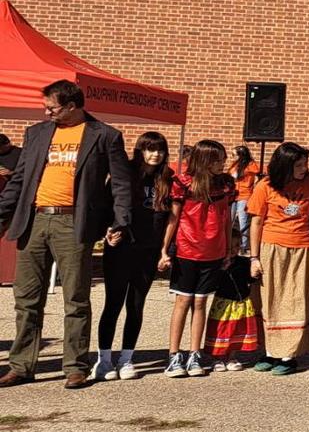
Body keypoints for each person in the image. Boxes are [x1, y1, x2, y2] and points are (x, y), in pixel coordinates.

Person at [0, 80, 134, 389]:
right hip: (34, 221)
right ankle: (21, 365)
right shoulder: (36, 133)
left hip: (74, 223)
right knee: (26, 299)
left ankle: (75, 366)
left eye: (53, 108)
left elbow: (121, 184)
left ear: (72, 106)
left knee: (75, 298)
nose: (47, 113)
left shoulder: (105, 135)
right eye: (46, 107)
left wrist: (120, 221)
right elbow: (20, 180)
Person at [94, 132, 172, 381]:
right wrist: (107, 231)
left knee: (136, 305)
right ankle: (104, 359)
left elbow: (170, 218)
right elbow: (105, 208)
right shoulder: (124, 174)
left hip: (148, 251)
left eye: (160, 149)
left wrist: (164, 250)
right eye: (150, 149)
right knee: (113, 303)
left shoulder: (167, 179)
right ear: (140, 150)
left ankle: (126, 359)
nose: (155, 154)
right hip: (121, 248)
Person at [158, 140, 238, 378]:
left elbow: (227, 219)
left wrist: (227, 250)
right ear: (204, 161)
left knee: (201, 303)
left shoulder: (225, 185)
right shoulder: (183, 183)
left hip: (213, 251)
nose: (222, 163)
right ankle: (174, 355)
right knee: (183, 302)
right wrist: (164, 250)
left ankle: (195, 353)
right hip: (187, 249)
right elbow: (173, 218)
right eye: (217, 160)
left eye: (223, 159)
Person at [248, 142, 309, 375]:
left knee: (296, 300)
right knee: (270, 299)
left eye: (305, 164)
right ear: (284, 166)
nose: (304, 169)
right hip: (271, 248)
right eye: (298, 165)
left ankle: (289, 355)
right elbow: (256, 222)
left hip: (302, 248)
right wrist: (254, 257)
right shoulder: (265, 185)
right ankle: (270, 352)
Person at [229, 145, 258, 256]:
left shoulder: (250, 165)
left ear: (241, 155)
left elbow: (254, 176)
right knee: (230, 220)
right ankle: (230, 243)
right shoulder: (234, 165)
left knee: (243, 221)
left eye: (234, 155)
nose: (232, 157)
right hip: (233, 195)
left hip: (244, 195)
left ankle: (243, 246)